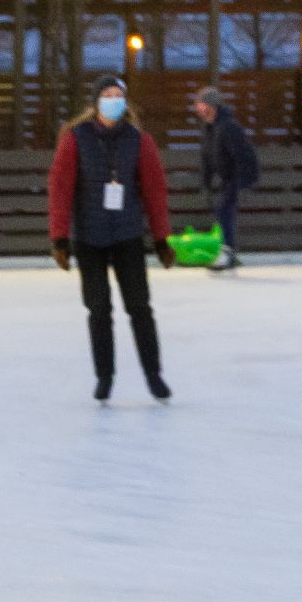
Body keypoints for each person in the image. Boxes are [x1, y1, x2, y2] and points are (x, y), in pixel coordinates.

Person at [47, 76, 175, 404]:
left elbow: (154, 190)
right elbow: (60, 189)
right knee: (99, 309)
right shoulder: (75, 139)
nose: (113, 100)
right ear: (95, 102)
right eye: (107, 95)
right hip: (89, 238)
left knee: (140, 307)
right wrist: (60, 238)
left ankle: (153, 375)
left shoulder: (139, 140)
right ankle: (105, 376)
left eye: (118, 95)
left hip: (127, 235)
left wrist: (161, 238)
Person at [193, 86, 258, 272]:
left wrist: (243, 183)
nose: (198, 109)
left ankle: (228, 254)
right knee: (222, 211)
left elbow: (243, 155)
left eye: (201, 104)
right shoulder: (210, 128)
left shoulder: (228, 127)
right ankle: (228, 251)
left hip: (238, 176)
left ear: (211, 106)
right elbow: (206, 158)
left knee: (224, 210)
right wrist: (205, 184)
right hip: (227, 177)